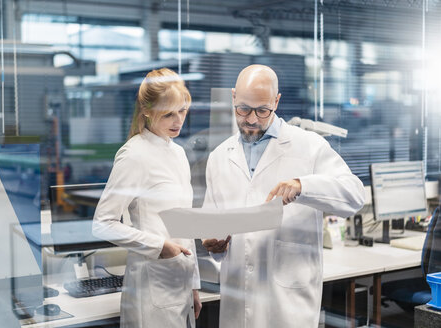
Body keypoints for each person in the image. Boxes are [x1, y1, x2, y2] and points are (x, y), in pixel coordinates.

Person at [202, 64, 365, 327]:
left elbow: (354, 195)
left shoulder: (308, 146)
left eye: (263, 110)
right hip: (237, 304)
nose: (252, 119)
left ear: (276, 102)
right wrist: (213, 244)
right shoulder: (219, 157)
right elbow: (213, 224)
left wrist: (303, 186)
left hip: (289, 307)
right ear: (233, 97)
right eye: (243, 108)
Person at [92, 68, 201, 328]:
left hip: (180, 284)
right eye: (168, 114)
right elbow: (103, 223)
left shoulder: (178, 153)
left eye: (183, 110)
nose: (178, 121)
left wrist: (194, 285)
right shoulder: (134, 155)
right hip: (151, 287)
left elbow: (185, 224)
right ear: (147, 111)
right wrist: (160, 246)